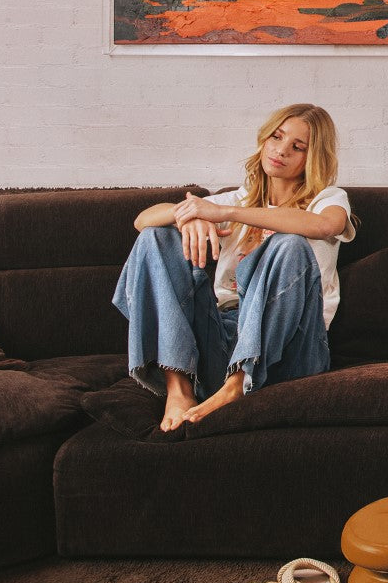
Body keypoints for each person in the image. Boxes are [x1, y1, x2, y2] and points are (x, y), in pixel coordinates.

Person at [112, 103, 355, 432]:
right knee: (157, 237)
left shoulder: (327, 199)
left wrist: (228, 214)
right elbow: (143, 221)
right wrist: (192, 217)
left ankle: (237, 387)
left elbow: (326, 226)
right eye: (276, 137)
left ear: (313, 158)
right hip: (223, 340)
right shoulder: (237, 198)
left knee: (289, 243)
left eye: (298, 147)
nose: (281, 150)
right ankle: (179, 388)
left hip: (293, 348)